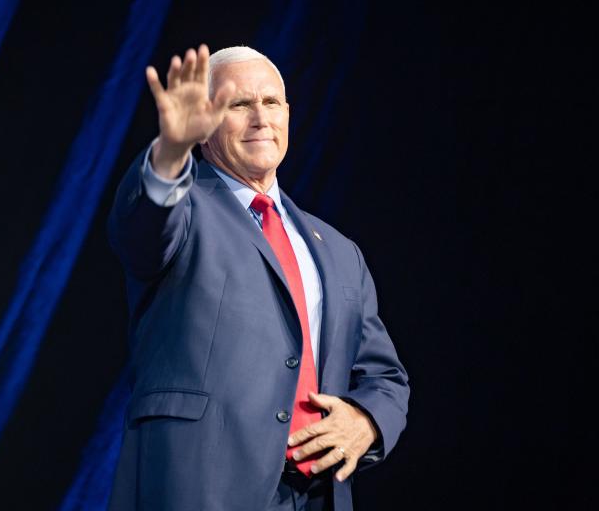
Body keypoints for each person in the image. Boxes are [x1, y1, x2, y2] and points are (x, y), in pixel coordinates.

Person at [107, 44, 409, 511]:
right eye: (239, 104)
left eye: (271, 103)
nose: (260, 118)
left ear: (288, 114)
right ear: (205, 121)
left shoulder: (338, 250)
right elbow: (144, 227)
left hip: (315, 495)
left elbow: (386, 377)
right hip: (201, 488)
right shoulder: (184, 210)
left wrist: (366, 421)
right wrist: (170, 153)